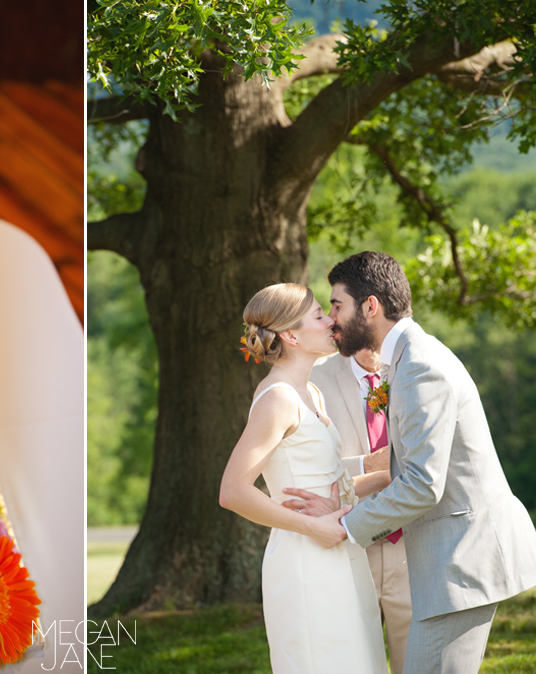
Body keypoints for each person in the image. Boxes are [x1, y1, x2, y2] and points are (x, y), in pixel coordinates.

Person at [308, 251, 536, 674]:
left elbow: (421, 484)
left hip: (461, 562)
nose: (332, 318)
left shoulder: (418, 366)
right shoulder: (410, 357)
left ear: (370, 306)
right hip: (451, 559)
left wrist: (343, 527)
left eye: (337, 305)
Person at [219, 283, 388, 674]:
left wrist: (383, 474)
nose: (331, 320)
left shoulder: (310, 391)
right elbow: (233, 490)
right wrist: (311, 528)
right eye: (318, 315)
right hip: (306, 560)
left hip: (341, 550)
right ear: (291, 336)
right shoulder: (277, 398)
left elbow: (328, 487)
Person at [283, 348, 413, 674]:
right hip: (346, 544)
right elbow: (303, 468)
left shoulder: (415, 370)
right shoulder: (312, 378)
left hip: (412, 546)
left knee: (416, 662)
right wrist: (366, 465)